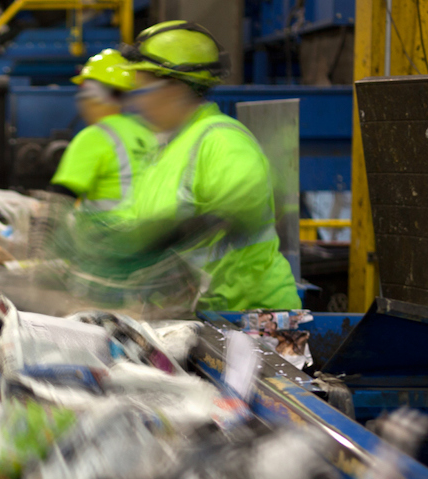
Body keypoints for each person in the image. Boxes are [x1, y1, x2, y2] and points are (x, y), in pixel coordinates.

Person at [118, 21, 301, 311]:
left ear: (173, 87)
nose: (137, 102)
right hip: (199, 317)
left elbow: (242, 209)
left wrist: (172, 236)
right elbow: (136, 224)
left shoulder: (222, 139)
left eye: (142, 88)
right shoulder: (165, 150)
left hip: (252, 323)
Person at [49, 49, 155, 212]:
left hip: (106, 233)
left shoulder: (95, 137)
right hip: (152, 232)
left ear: (92, 97)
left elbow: (60, 201)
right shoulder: (147, 132)